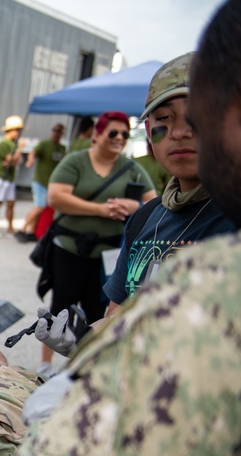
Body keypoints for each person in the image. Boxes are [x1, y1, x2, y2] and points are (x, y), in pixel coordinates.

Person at [0, 1, 241, 456]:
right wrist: (81, 332)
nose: (180, 136)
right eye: (162, 126)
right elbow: (118, 306)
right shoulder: (147, 220)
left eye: (196, 120)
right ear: (148, 141)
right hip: (137, 449)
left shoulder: (227, 228)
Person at [102, 52, 233, 316]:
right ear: (149, 132)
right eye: (164, 118)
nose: (179, 132)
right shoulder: (145, 217)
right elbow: (115, 318)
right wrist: (77, 342)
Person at [36, 111, 156, 375]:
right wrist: (100, 210)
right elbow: (56, 197)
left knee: (98, 309)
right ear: (97, 134)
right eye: (113, 132)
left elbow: (154, 202)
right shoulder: (76, 161)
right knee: (61, 305)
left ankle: (84, 366)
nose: (120, 138)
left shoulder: (131, 168)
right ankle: (45, 365)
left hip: (109, 252)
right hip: (69, 247)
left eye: (125, 134)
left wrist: (134, 205)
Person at [16, 123, 66, 243]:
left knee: (39, 207)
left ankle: (31, 231)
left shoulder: (62, 148)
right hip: (40, 182)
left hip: (51, 184)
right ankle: (22, 230)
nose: (55, 133)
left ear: (62, 133)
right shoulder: (45, 144)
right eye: (54, 130)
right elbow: (33, 153)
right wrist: (30, 160)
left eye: (58, 131)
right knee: (40, 206)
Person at [0, 115, 25, 236]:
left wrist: (13, 159)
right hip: (2, 176)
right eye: (17, 130)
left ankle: (10, 227)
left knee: (11, 203)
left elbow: (18, 161)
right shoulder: (4, 143)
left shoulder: (13, 143)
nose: (19, 133)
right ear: (11, 130)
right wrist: (17, 152)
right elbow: (10, 160)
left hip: (10, 177)